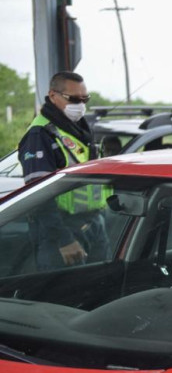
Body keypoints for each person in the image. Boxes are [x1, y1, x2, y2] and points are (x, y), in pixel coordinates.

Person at [18, 71, 110, 268]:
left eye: (84, 98)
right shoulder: (40, 134)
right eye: (74, 99)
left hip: (92, 223)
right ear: (53, 96)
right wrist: (64, 239)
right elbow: (39, 194)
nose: (80, 105)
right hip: (61, 234)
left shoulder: (78, 130)